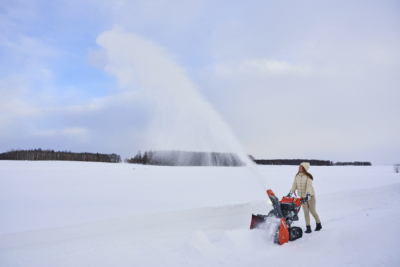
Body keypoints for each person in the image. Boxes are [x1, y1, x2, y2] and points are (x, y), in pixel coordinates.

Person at [287, 162, 322, 233]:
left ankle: (318, 224)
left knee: (313, 212)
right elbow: (294, 185)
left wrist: (308, 194)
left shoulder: (308, 176)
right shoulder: (297, 176)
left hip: (310, 196)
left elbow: (309, 186)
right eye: (299, 166)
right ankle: (308, 228)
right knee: (306, 213)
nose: (299, 167)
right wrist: (291, 192)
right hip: (302, 197)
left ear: (304, 168)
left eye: (301, 166)